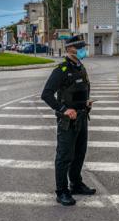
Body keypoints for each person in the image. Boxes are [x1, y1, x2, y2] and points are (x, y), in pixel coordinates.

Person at [41, 35, 96, 206]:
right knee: (65, 156)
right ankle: (62, 191)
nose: (83, 50)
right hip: (67, 121)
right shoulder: (61, 70)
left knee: (79, 154)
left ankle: (76, 184)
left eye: (83, 46)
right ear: (69, 49)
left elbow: (80, 90)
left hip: (82, 117)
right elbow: (46, 94)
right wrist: (64, 110)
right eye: (79, 47)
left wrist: (85, 102)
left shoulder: (81, 67)